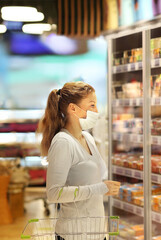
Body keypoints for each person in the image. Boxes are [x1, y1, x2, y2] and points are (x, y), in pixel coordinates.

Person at [37, 81, 120, 240]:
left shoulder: (87, 137)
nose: (96, 111)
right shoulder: (63, 142)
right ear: (73, 108)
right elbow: (54, 194)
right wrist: (99, 189)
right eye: (92, 105)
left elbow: (94, 181)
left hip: (96, 232)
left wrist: (105, 187)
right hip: (73, 234)